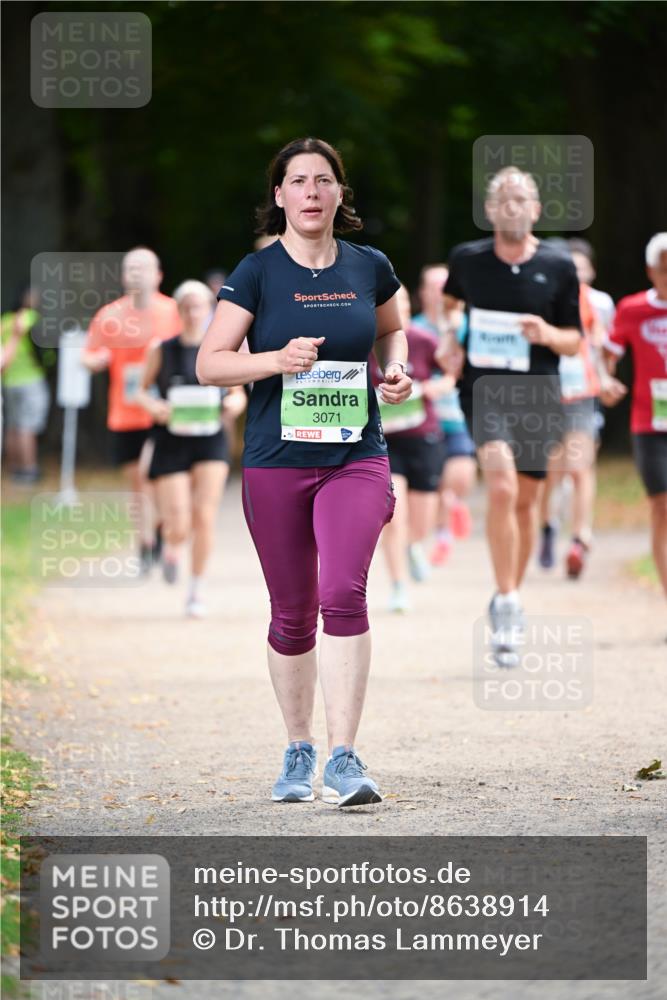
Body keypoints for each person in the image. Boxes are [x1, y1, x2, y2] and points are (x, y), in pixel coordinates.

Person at [197, 137, 411, 806]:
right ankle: (298, 750)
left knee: (343, 593)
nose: (312, 191)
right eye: (299, 181)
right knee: (292, 613)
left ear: (340, 194)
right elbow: (210, 363)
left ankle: (345, 758)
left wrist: (398, 370)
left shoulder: (369, 265)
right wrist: (273, 360)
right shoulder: (257, 273)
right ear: (279, 196)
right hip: (275, 462)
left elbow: (391, 331)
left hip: (355, 456)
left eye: (324, 180)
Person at [440, 166, 582, 665]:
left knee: (525, 502)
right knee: (500, 486)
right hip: (485, 391)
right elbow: (451, 305)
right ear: (491, 209)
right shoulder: (469, 259)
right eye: (503, 199)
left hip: (539, 395)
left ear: (536, 210)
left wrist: (546, 332)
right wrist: (450, 338)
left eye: (521, 200)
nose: (512, 207)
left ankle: (510, 596)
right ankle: (507, 600)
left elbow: (575, 340)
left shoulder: (559, 265)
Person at [136, 280, 246, 617]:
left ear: (208, 310)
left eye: (198, 306)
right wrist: (154, 407)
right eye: (186, 306)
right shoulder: (162, 349)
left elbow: (238, 393)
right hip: (172, 441)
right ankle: (172, 544)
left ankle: (196, 589)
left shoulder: (220, 349)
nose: (192, 312)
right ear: (179, 311)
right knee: (179, 521)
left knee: (204, 515)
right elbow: (140, 391)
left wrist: (234, 405)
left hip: (210, 439)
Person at [82, 247, 181, 573]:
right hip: (124, 411)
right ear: (124, 276)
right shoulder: (110, 315)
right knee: (137, 481)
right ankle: (144, 542)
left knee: (160, 478)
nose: (137, 274)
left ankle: (164, 532)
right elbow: (87, 354)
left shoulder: (173, 311)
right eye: (131, 269)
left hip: (163, 411)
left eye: (144, 268)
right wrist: (96, 361)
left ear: (158, 275)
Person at [373, 285, 450, 612]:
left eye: (400, 302)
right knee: (393, 516)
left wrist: (433, 388)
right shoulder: (367, 343)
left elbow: (451, 374)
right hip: (384, 442)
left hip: (423, 438)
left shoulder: (422, 339)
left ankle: (415, 545)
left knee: (420, 523)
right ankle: (398, 585)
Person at [604, 232, 667, 619]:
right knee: (661, 506)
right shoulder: (631, 309)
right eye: (664, 269)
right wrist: (607, 380)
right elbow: (608, 355)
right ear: (650, 270)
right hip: (650, 423)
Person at [410, 264, 477, 566]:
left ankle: (450, 512)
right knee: (436, 484)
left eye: (444, 286)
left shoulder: (465, 327)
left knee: (461, 476)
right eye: (434, 286)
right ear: (423, 292)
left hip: (459, 415)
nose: (439, 293)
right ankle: (441, 534)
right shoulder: (413, 329)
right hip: (425, 419)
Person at [1, 287, 50, 483]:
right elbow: (46, 351)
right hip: (30, 379)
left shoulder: (5, 320)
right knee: (27, 426)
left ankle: (14, 469)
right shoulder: (31, 319)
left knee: (13, 425)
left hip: (8, 381)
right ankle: (29, 470)